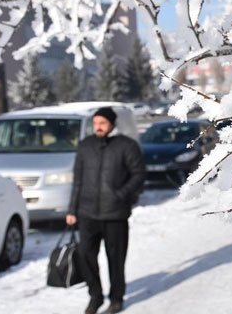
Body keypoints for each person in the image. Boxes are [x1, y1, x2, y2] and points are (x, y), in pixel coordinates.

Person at [66, 107, 146, 314]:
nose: (98, 127)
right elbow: (78, 180)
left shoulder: (127, 146)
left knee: (116, 260)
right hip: (87, 214)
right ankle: (95, 296)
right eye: (95, 123)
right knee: (86, 256)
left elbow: (138, 175)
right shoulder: (85, 146)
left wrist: (121, 194)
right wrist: (72, 209)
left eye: (102, 123)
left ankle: (116, 298)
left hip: (115, 215)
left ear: (111, 123)